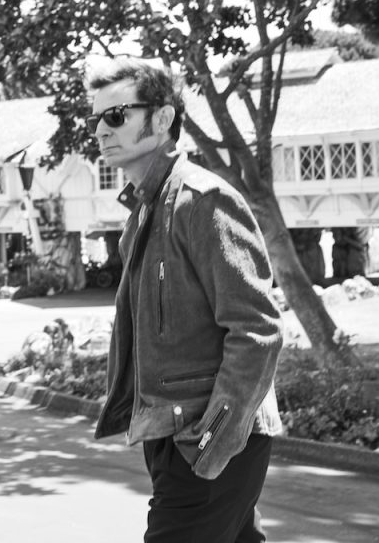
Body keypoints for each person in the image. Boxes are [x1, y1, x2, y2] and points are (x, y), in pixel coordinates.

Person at [87, 57, 284, 543]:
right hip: (172, 436)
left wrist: (212, 441)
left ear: (162, 118)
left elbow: (257, 330)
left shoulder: (203, 200)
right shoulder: (146, 210)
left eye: (117, 116)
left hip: (208, 440)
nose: (101, 129)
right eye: (96, 118)